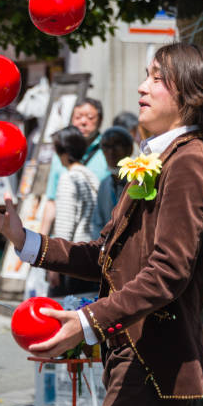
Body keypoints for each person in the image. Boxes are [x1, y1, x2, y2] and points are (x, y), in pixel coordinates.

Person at [0, 42, 203, 406]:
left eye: (157, 78)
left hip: (153, 359)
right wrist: (25, 240)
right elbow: (107, 255)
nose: (141, 87)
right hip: (134, 353)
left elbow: (169, 273)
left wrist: (86, 322)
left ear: (191, 92)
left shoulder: (187, 161)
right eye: (145, 76)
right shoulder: (162, 157)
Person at [40, 98, 110, 237]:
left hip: (94, 240)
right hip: (67, 241)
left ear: (100, 120)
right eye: (78, 117)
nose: (83, 122)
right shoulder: (58, 156)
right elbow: (51, 201)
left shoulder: (109, 151)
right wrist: (41, 239)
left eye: (90, 117)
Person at [47, 126, 99, 297]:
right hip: (92, 252)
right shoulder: (90, 176)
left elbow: (64, 225)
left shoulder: (69, 178)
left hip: (73, 258)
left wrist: (54, 266)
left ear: (63, 152)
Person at [90, 126, 134, 239]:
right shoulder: (105, 184)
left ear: (130, 149)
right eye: (106, 146)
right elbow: (97, 223)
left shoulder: (138, 180)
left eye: (116, 145)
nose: (111, 151)